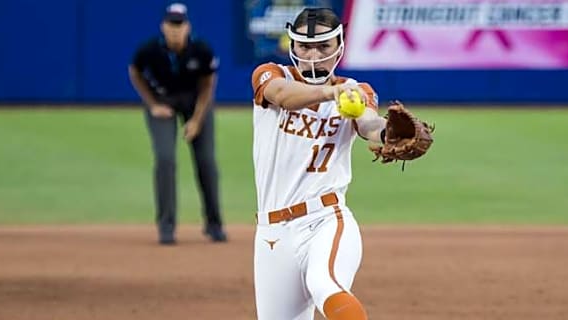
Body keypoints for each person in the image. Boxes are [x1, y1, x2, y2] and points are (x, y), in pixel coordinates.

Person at [249, 7, 390, 320]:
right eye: (304, 47)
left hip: (325, 219)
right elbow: (283, 96)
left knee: (325, 283)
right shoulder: (270, 74)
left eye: (323, 47)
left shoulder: (356, 90)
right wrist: (331, 92)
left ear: (338, 46)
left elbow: (368, 124)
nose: (313, 56)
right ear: (292, 46)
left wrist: (387, 131)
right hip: (272, 234)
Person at [128, 3, 226, 245]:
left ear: (187, 27)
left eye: (179, 24)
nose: (175, 29)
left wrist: (196, 121)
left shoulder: (201, 50)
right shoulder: (149, 50)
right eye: (171, 24)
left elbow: (207, 87)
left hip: (196, 104)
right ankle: (166, 226)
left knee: (206, 162)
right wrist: (152, 104)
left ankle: (214, 224)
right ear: (163, 26)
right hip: (163, 103)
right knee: (165, 159)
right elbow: (135, 71)